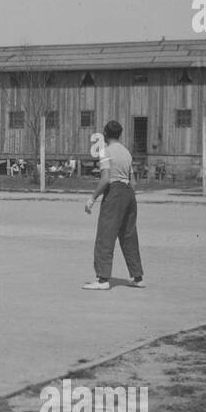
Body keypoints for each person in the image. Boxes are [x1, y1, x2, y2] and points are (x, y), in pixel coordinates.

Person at [83, 120, 144, 290]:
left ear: (105, 133)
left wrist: (92, 199)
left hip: (115, 192)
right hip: (129, 194)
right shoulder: (126, 152)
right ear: (120, 134)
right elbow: (133, 182)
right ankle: (137, 277)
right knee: (129, 235)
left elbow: (105, 179)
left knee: (105, 235)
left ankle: (102, 279)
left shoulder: (106, 151)